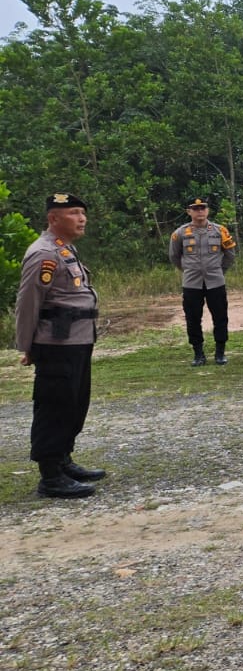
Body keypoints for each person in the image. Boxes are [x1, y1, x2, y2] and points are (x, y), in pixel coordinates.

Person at [15, 193, 104, 498]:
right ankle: (50, 476)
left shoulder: (64, 249)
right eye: (74, 213)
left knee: (75, 403)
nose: (82, 218)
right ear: (54, 218)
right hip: (56, 343)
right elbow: (28, 302)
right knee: (55, 406)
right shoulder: (43, 254)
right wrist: (26, 345)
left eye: (83, 212)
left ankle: (64, 459)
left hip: (77, 339)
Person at [168, 197, 237, 366]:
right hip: (192, 283)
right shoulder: (180, 233)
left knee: (220, 317)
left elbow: (230, 254)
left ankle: (220, 352)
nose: (200, 211)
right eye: (196, 208)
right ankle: (198, 353)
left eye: (203, 208)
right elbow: (174, 257)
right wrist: (189, 270)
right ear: (189, 211)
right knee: (193, 318)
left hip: (215, 282)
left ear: (207, 210)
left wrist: (220, 271)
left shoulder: (219, 230)